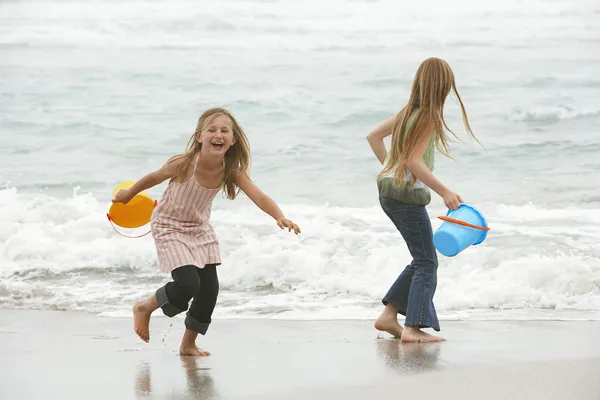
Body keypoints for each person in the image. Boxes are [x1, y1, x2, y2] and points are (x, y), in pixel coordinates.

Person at [112, 107, 301, 355]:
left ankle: (188, 343)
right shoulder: (184, 163)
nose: (218, 134)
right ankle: (145, 307)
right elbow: (153, 178)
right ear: (199, 136)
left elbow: (260, 196)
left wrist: (279, 216)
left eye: (225, 131)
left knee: (209, 289)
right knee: (188, 284)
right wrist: (129, 194)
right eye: (212, 130)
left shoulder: (230, 170)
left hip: (199, 229)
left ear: (233, 140)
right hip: (169, 226)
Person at [366, 57, 483, 342]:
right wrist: (444, 191)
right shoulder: (429, 117)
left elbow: (373, 137)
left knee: (422, 258)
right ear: (444, 87)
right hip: (406, 198)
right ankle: (413, 328)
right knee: (428, 263)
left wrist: (391, 170)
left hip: (388, 193)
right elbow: (414, 161)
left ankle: (389, 316)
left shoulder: (409, 111)